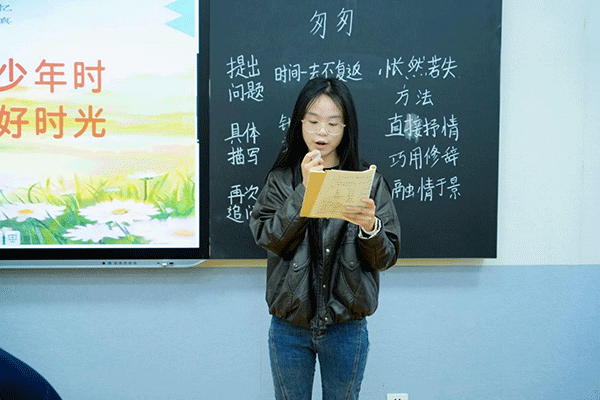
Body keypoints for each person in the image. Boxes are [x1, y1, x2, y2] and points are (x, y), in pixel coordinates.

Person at [249, 76, 401, 400]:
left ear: (346, 128)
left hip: (346, 327)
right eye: (314, 121)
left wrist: (370, 228)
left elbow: (385, 257)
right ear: (300, 123)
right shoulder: (281, 180)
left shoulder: (369, 181)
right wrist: (305, 190)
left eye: (333, 124)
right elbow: (269, 237)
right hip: (289, 327)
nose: (322, 132)